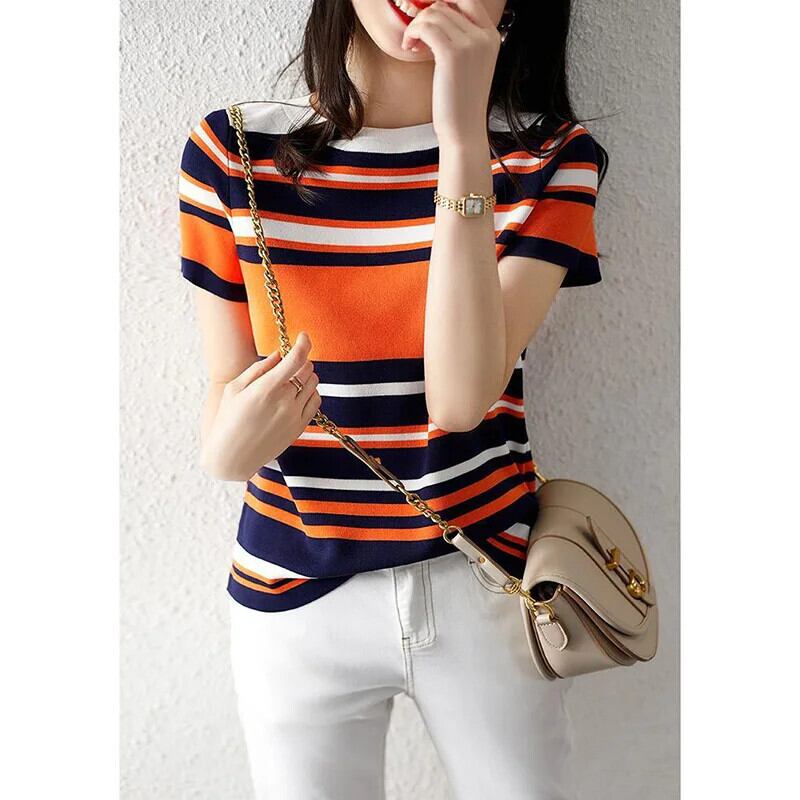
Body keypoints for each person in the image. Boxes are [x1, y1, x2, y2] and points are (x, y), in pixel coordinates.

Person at [178, 1, 608, 797]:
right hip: (294, 592)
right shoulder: (231, 150)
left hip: (484, 579)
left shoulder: (550, 157)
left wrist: (462, 143)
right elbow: (223, 399)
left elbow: (459, 398)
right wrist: (227, 449)